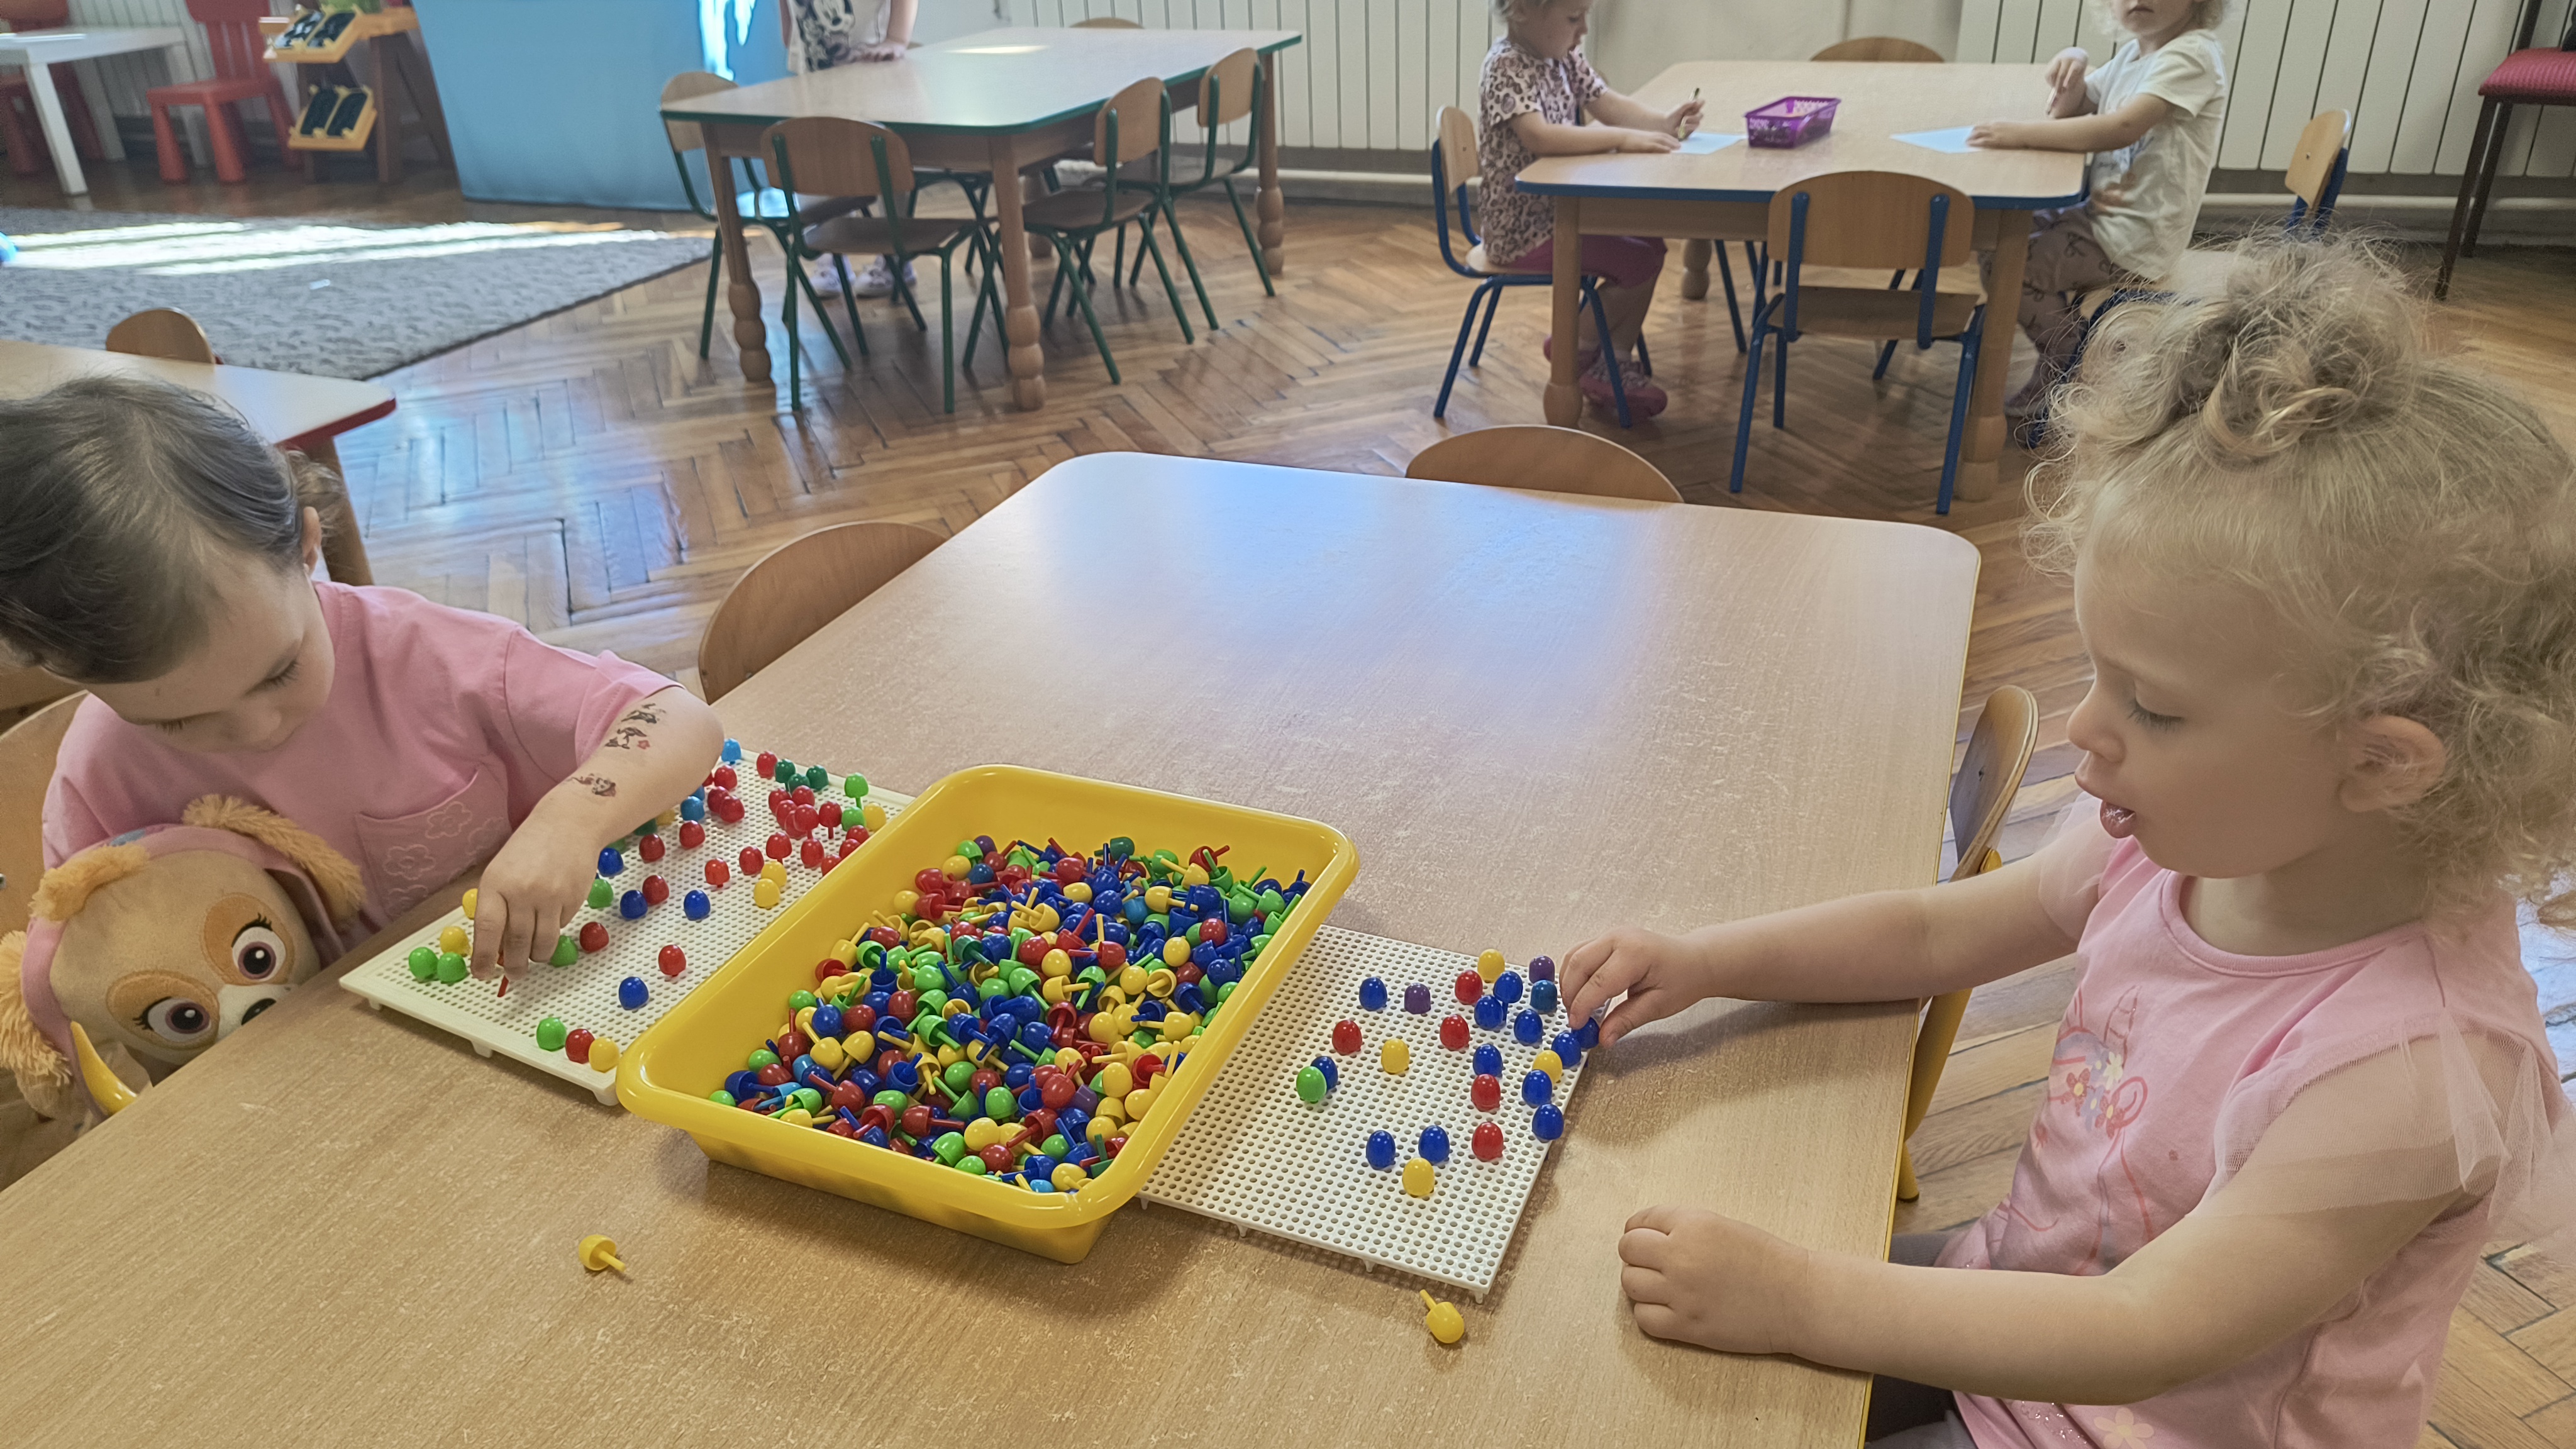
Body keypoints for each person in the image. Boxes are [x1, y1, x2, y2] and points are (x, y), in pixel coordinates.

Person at [1560, 242, 2576, 1448]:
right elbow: (1933, 929)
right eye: (2098, 672)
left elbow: (2149, 1327)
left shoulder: (2412, 1067)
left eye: (2154, 705)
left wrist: (1801, 1295)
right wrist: (1705, 958)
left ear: (2382, 762)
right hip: (2024, 1291)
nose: (2086, 727)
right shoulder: (2179, 844)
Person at [1, 376, 724, 980]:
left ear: (307, 546)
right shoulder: (100, 778)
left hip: (528, 986)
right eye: (178, 721)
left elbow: (679, 719)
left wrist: (571, 821)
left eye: (280, 671)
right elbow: (95, 973)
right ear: (65, 672)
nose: (258, 729)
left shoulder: (425, 653)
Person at [1968, 0, 2227, 425]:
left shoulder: (2192, 54)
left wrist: (2023, 135)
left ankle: (2065, 357)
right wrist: (2074, 62)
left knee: (2009, 265)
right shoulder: (2137, 52)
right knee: (2002, 240)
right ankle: (2068, 336)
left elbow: (2123, 127)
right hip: (2103, 220)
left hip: (2135, 237)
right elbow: (2069, 108)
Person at [1477, 0, 1700, 419]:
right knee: (1637, 260)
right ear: (1523, 11)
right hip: (1525, 232)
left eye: (1585, 17)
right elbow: (1541, 137)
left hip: (1564, 214)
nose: (1583, 30)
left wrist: (1663, 122)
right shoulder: (1506, 66)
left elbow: (1606, 101)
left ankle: (1610, 356)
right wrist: (1621, 139)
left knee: (1651, 244)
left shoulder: (1561, 56)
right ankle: (1577, 345)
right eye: (1572, 18)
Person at [788, 0, 922, 299]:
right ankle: (831, 257)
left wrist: (897, 38)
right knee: (823, 165)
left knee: (885, 162)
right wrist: (792, 37)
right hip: (815, 71)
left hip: (875, 69)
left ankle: (896, 256)